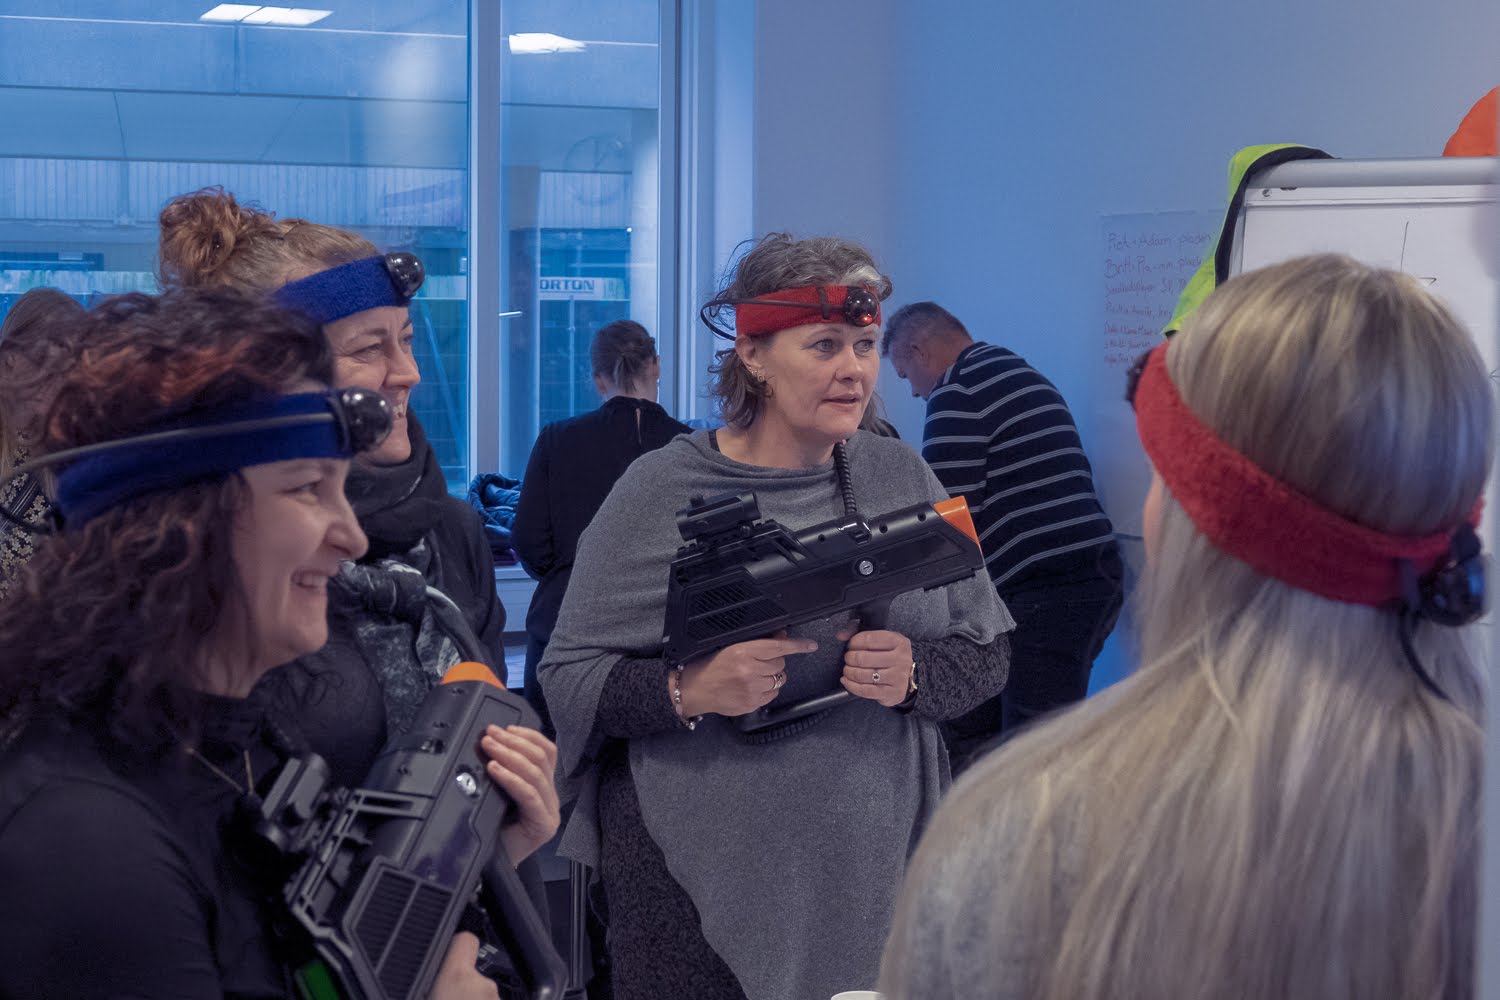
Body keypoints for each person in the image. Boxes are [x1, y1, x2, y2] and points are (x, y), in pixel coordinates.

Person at [879, 254, 1489, 1000]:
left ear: (1191, 513)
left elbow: (947, 519)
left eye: (1159, 470)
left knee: (1023, 729)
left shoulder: (1022, 834)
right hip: (1082, 586)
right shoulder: (1465, 818)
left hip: (1039, 595)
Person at [0, 288, 559, 999]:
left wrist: (481, 852)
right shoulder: (83, 842)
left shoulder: (243, 736)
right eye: (305, 489)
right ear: (177, 529)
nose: (350, 536)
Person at [539, 233, 1013, 1000]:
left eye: (864, 345)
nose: (854, 369)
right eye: (824, 345)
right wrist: (689, 690)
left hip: (873, 879)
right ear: (752, 354)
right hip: (689, 889)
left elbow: (988, 652)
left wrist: (914, 675)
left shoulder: (900, 474)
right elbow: (567, 677)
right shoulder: (660, 491)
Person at [157, 187, 508, 788]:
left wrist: (515, 827)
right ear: (268, 380)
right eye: (370, 348)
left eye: (406, 339)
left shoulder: (451, 532)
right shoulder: (219, 550)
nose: (409, 373)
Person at [883, 302, 1122, 770]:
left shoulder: (957, 390)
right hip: (1089, 576)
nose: (913, 392)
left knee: (1028, 756)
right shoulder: (1015, 371)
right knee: (1024, 735)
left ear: (918, 349)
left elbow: (947, 522)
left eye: (905, 374)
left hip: (1049, 590)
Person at [512, 318, 689, 735]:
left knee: (554, 769)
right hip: (660, 642)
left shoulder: (558, 439)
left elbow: (530, 543)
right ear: (656, 366)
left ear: (598, 378)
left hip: (565, 632)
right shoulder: (690, 447)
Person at [0, 287, 86, 597]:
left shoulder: (85, 450)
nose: (55, 379)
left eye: (69, 365)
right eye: (41, 359)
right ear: (8, 360)